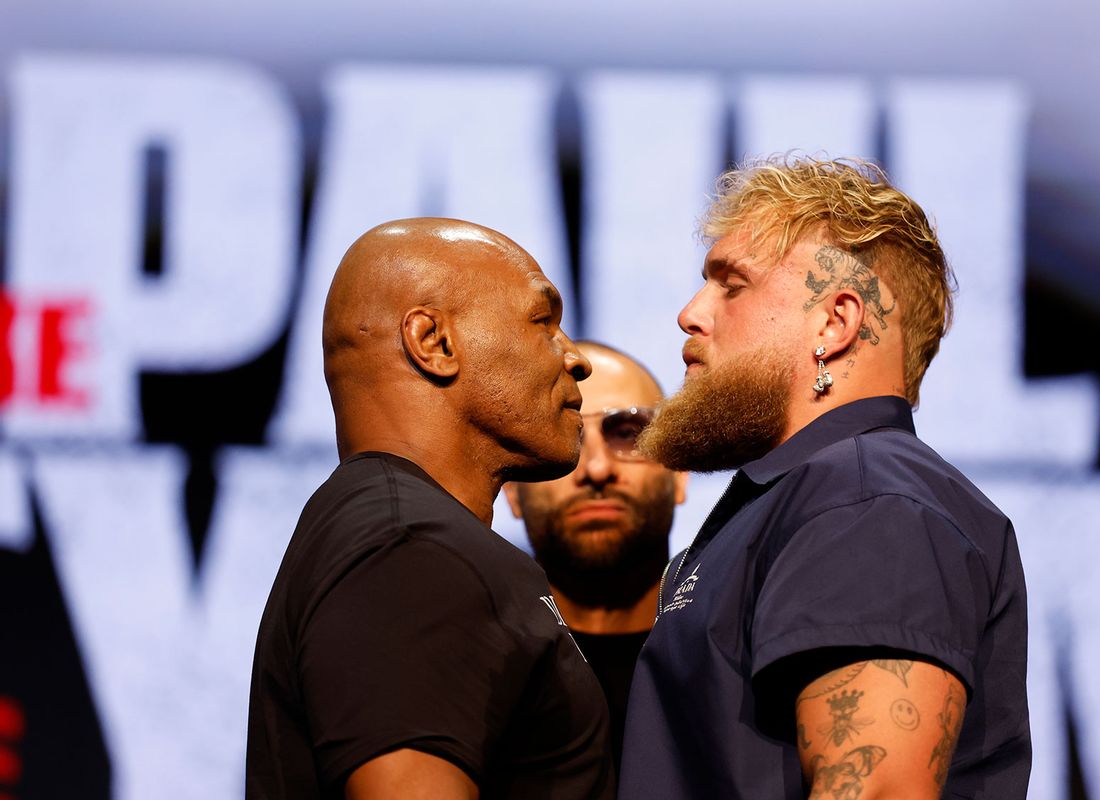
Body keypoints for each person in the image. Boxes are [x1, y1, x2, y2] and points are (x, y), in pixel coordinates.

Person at [619, 156, 1031, 799]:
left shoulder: (868, 504)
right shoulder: (806, 497)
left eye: (731, 284)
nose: (690, 314)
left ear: (834, 323)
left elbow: (876, 792)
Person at [245, 218, 615, 800]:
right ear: (435, 344)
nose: (575, 358)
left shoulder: (392, 535)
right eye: (543, 322)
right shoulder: (412, 552)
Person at [503, 341, 687, 773]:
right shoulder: (472, 673)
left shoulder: (741, 657)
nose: (597, 469)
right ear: (511, 489)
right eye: (564, 437)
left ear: (679, 473)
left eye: (627, 433)